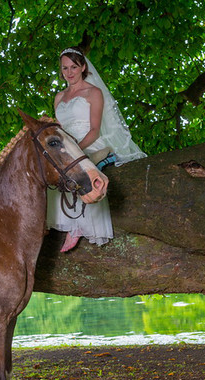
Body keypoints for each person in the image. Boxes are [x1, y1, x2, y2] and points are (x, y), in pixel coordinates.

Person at [47, 47, 146, 252]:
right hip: (67, 146)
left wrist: (76, 149)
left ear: (83, 67)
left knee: (83, 171)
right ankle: (55, 223)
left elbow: (94, 129)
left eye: (74, 67)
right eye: (65, 68)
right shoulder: (59, 97)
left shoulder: (93, 93)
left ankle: (78, 227)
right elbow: (59, 131)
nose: (69, 72)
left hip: (89, 143)